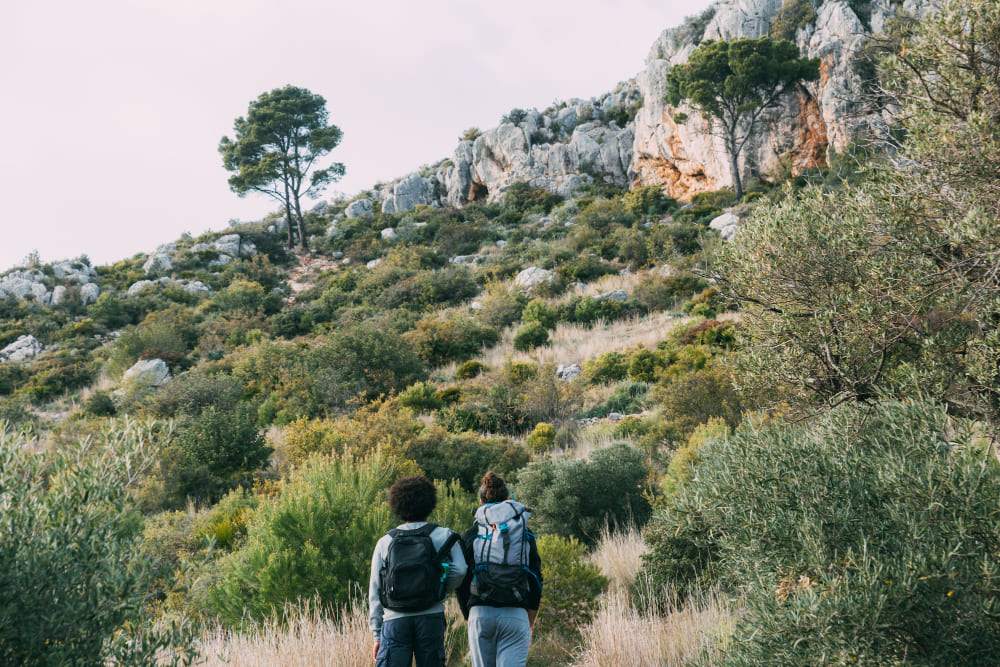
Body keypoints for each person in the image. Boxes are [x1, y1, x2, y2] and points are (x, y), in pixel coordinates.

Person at [369, 475, 467, 667]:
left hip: (394, 621)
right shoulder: (443, 535)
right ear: (430, 503)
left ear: (397, 505)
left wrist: (376, 633)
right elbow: (461, 570)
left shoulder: (385, 542)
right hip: (431, 617)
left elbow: (375, 590)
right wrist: (440, 589)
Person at [458, 471, 542, 667]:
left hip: (480, 613)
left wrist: (468, 615)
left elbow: (461, 578)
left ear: (481, 502)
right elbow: (536, 579)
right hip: (516, 614)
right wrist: (529, 621)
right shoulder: (524, 533)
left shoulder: (472, 533)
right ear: (507, 499)